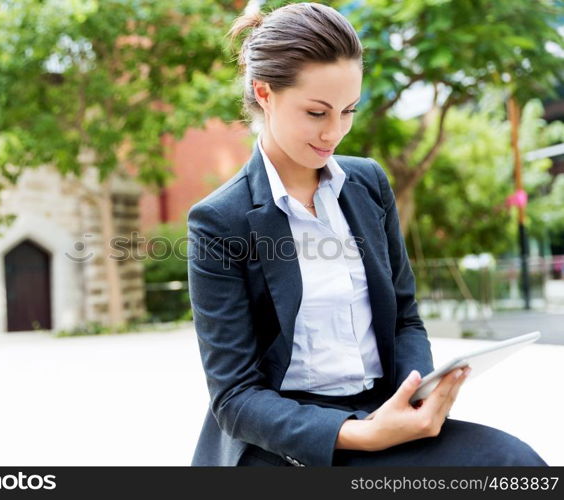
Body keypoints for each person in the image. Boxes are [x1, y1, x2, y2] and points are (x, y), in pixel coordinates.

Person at [186, 2, 548, 467]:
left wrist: (417, 395)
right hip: (285, 440)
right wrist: (360, 435)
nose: (333, 132)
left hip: (382, 410)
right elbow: (234, 397)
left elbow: (403, 318)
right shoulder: (220, 220)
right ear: (264, 93)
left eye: (348, 110)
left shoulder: (367, 185)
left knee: (515, 465)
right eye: (316, 112)